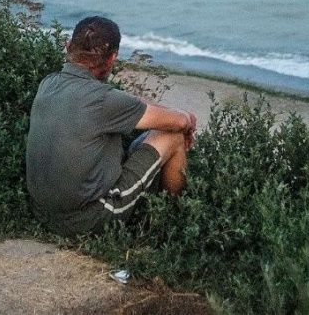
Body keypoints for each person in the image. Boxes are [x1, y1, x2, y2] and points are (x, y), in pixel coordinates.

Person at [25, 16, 196, 237]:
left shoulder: (48, 83)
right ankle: (169, 226)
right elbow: (180, 122)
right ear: (112, 58)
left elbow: (130, 104)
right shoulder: (103, 99)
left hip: (43, 215)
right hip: (88, 220)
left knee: (150, 136)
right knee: (173, 137)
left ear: (68, 47)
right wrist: (187, 119)